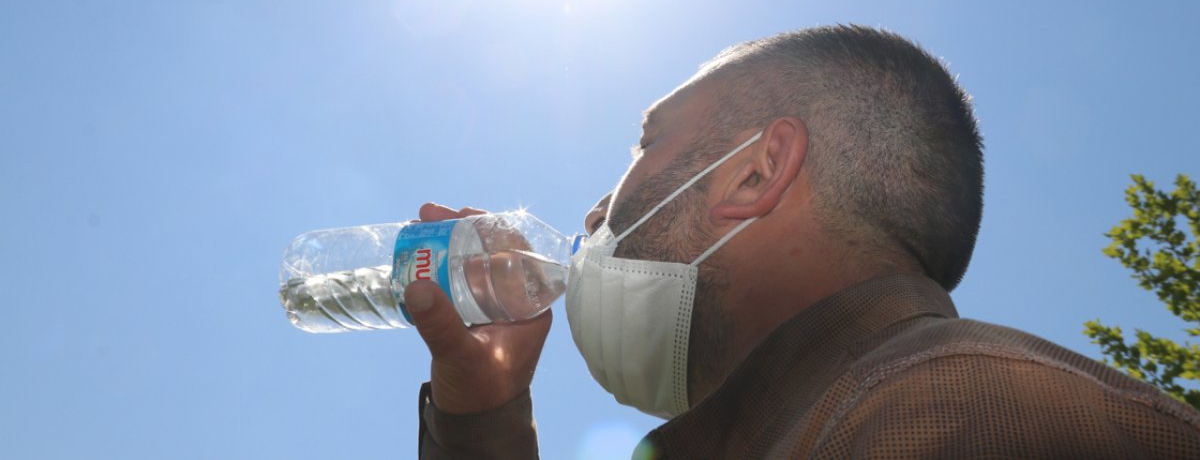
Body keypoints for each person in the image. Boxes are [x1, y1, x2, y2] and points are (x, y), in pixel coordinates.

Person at [404, 26, 1200, 458]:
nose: (596, 210)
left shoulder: (963, 415)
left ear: (755, 172)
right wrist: (483, 420)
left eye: (648, 142)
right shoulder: (834, 420)